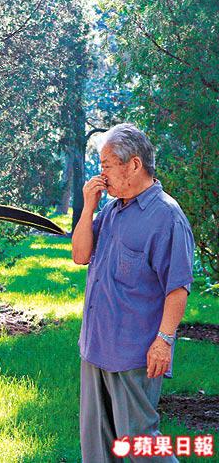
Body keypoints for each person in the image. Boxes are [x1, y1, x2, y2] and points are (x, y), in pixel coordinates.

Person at [72, 123, 195, 462]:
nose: (102, 174)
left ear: (134, 165)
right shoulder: (111, 210)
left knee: (142, 446)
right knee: (97, 449)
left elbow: (177, 288)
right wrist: (88, 208)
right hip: (95, 346)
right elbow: (80, 255)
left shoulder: (167, 217)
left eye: (107, 165)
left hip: (133, 354)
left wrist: (164, 341)